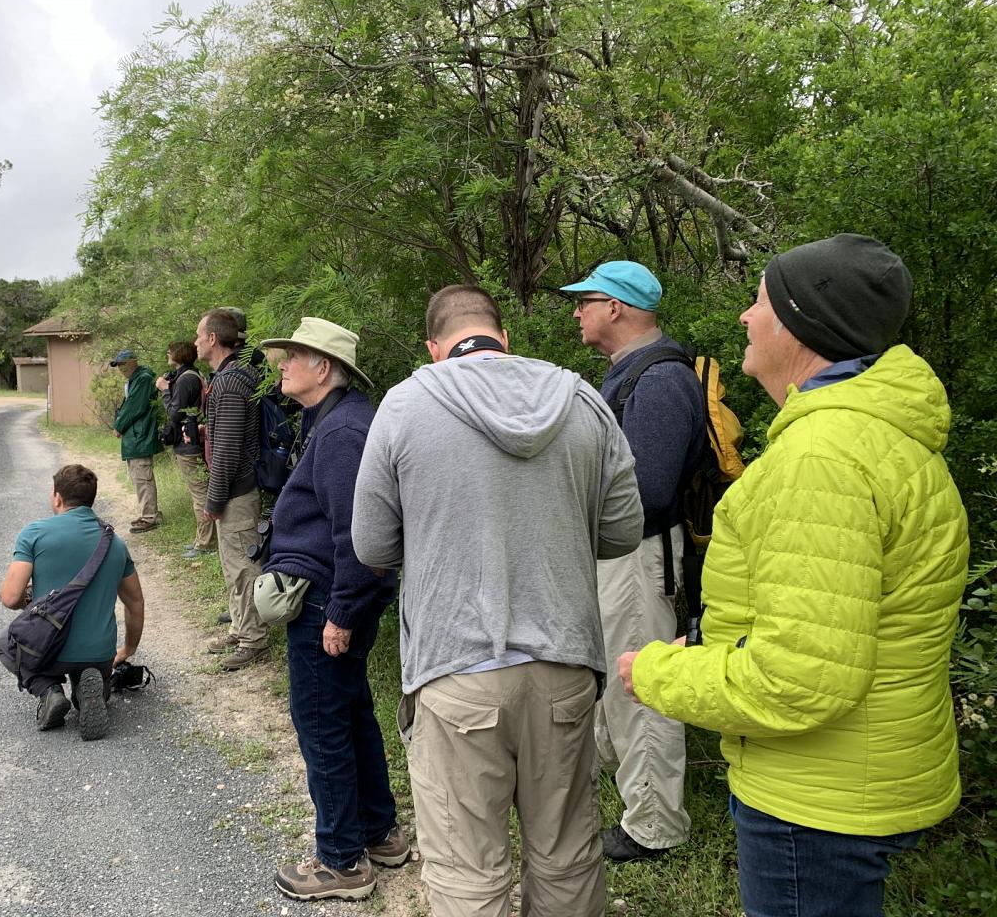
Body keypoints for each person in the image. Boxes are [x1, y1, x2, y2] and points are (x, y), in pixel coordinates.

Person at [619, 234, 969, 917]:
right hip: (859, 777)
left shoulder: (820, 461)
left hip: (816, 800)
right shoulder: (877, 438)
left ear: (803, 326)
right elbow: (847, 623)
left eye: (760, 301)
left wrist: (658, 674)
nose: (746, 318)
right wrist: (718, 650)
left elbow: (801, 679)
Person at [353, 285, 644, 917]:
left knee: (467, 872)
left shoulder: (405, 406)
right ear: (503, 337)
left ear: (434, 349)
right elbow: (622, 531)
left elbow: (372, 544)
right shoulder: (582, 399)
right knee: (566, 857)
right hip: (564, 667)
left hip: (454, 672)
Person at [257, 318, 406, 902]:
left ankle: (342, 862)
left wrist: (341, 614)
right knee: (349, 712)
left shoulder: (343, 431)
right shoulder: (338, 421)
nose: (281, 364)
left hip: (328, 598)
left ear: (324, 368)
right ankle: (379, 833)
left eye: (293, 356)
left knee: (322, 723)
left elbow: (357, 537)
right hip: (333, 593)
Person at [562, 260, 706, 861]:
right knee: (613, 681)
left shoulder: (660, 379)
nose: (577, 312)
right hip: (621, 554)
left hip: (641, 555)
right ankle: (619, 791)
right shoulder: (631, 374)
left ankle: (654, 825)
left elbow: (648, 491)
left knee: (641, 687)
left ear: (615, 307)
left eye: (585, 301)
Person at [0, 464, 145, 741]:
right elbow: (135, 603)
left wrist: (31, 599)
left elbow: (10, 597)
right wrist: (127, 648)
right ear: (91, 499)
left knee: (5, 642)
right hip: (100, 654)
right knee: (92, 668)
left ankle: (49, 690)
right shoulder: (115, 543)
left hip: (48, 652)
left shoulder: (35, 533)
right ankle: (89, 686)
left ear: (57, 497)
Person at [194, 308, 269, 671]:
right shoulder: (235, 375)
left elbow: (227, 448)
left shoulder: (228, 382)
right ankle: (241, 629)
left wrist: (214, 498)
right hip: (237, 488)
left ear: (212, 338)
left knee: (242, 567)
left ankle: (254, 639)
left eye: (198, 335)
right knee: (233, 564)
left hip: (237, 490)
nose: (194, 341)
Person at [157, 340, 216, 560]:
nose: (167, 354)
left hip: (188, 444)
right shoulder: (194, 374)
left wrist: (164, 391)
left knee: (199, 493)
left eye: (169, 351)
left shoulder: (185, 379)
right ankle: (203, 539)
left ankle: (205, 543)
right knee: (200, 491)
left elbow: (174, 413)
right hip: (194, 440)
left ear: (178, 355)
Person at [110, 348, 164, 534]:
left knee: (142, 476)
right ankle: (148, 514)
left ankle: (150, 517)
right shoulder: (136, 379)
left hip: (140, 435)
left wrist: (119, 425)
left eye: (124, 363)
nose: (121, 368)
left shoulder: (142, 379)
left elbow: (134, 407)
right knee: (138, 476)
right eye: (118, 364)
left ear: (134, 361)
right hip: (136, 436)